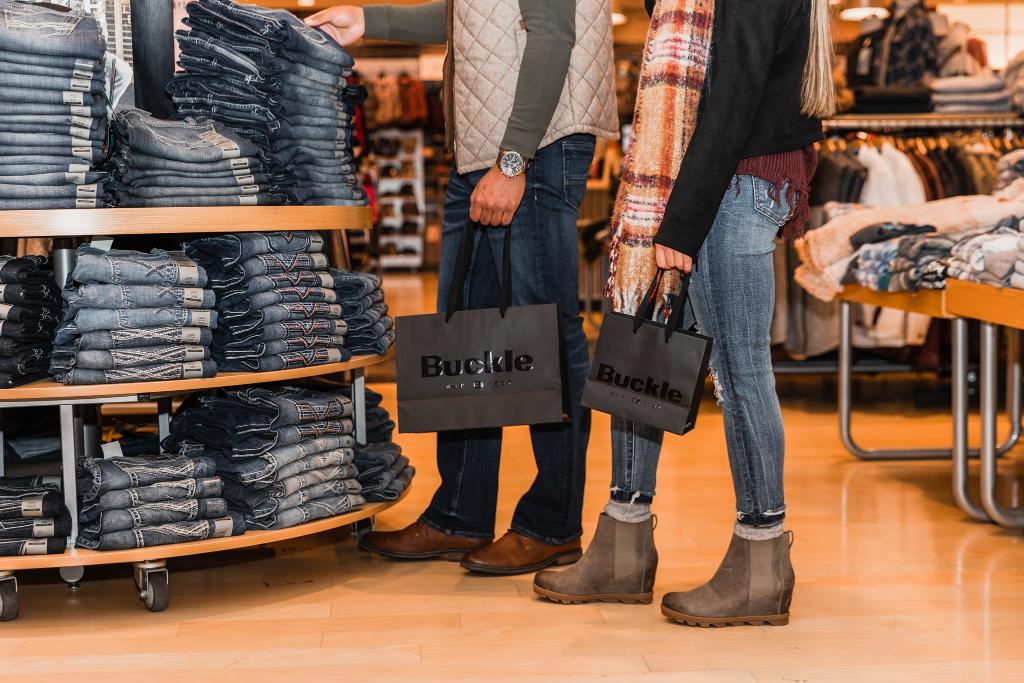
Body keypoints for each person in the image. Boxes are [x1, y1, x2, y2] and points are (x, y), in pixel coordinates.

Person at [532, 0, 835, 626]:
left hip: (732, 185)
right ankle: (622, 542)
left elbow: (734, 94)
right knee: (640, 355)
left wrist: (682, 222)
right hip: (699, 181)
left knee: (741, 372)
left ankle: (761, 556)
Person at [306, 2, 618, 575]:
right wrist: (371, 22)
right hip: (487, 149)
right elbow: (469, 17)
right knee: (465, 337)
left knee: (544, 333)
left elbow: (551, 34)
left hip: (534, 150)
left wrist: (513, 159)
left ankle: (553, 525)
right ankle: (458, 514)